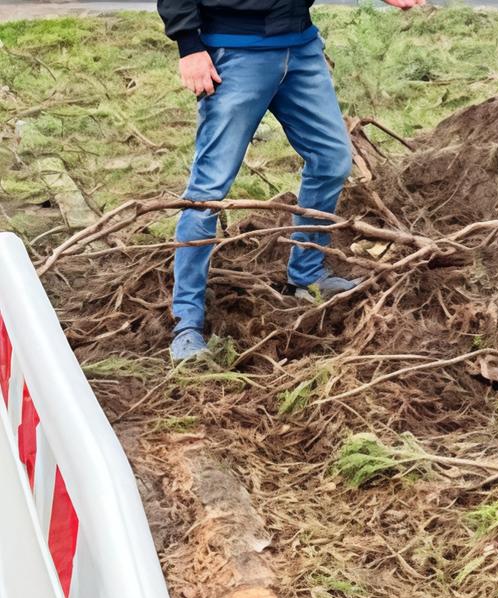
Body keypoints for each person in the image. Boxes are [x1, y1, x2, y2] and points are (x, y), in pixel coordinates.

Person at [157, 0, 422, 361]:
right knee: (208, 191)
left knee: (332, 160)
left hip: (300, 47)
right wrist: (188, 45)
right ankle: (186, 323)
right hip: (234, 52)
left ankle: (307, 274)